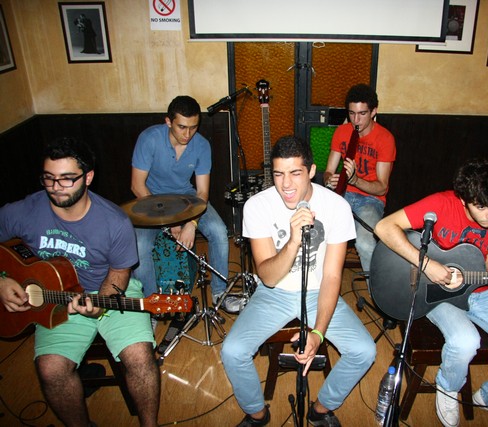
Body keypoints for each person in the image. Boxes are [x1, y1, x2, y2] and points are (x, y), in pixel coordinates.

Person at [374, 160, 488, 427]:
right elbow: (384, 227)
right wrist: (427, 265)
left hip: (479, 292)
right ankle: (448, 388)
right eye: (482, 207)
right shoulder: (442, 203)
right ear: (464, 199)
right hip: (435, 291)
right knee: (466, 341)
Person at [0, 137, 159, 427]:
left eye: (66, 179)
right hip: (53, 296)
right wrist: (2, 279)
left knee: (140, 357)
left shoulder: (114, 221)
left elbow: (120, 272)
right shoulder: (24, 211)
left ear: (88, 177)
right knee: (50, 369)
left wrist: (101, 303)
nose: (55, 187)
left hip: (108, 290)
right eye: (48, 178)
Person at [221, 136, 376, 426]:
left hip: (319, 290)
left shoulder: (337, 206)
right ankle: (257, 413)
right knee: (232, 351)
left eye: (295, 173)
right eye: (279, 174)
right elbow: (268, 277)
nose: (286, 184)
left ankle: (321, 408)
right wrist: (293, 241)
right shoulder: (257, 206)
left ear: (312, 171)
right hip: (274, 293)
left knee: (364, 351)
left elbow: (332, 276)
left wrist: (317, 333)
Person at [131, 95, 239, 313]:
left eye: (193, 127)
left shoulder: (202, 145)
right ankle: (153, 304)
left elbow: (202, 192)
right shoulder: (149, 139)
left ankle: (219, 293)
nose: (187, 134)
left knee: (219, 231)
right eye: (182, 127)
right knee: (140, 246)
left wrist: (191, 223)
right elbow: (137, 185)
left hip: (186, 198)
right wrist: (169, 221)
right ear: (168, 121)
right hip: (151, 200)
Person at [323, 83, 396, 275]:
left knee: (365, 244)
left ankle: (377, 290)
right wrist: (330, 180)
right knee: (318, 233)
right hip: (342, 195)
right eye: (352, 113)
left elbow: (382, 188)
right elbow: (328, 171)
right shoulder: (342, 132)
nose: (356, 120)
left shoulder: (385, 138)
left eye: (362, 113)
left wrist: (355, 180)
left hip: (370, 200)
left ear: (374, 111)